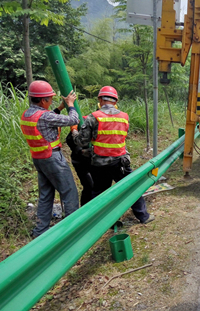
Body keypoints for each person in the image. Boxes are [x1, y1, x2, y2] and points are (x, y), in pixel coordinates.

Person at [74, 86, 154, 224]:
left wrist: (74, 131)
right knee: (131, 188)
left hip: (100, 164)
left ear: (100, 99)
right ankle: (143, 216)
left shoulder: (94, 117)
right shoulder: (124, 117)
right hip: (120, 162)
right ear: (115, 101)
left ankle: (103, 221)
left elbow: (82, 141)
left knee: (99, 194)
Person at [20, 80, 80, 237]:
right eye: (50, 99)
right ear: (42, 100)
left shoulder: (27, 114)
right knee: (69, 191)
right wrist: (71, 105)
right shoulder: (45, 116)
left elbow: (48, 118)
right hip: (53, 159)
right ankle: (73, 231)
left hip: (39, 159)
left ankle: (40, 231)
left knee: (46, 195)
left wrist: (60, 108)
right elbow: (73, 119)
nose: (51, 101)